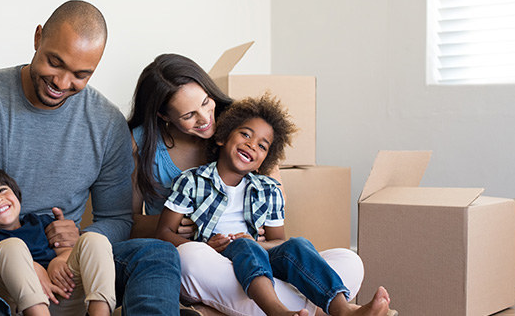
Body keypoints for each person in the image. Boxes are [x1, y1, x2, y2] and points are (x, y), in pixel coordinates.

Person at [0, 0, 182, 316]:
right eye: (55, 62)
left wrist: (79, 241)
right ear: (38, 38)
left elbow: (117, 218)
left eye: (81, 75)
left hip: (66, 270)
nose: (62, 83)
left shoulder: (107, 124)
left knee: (156, 253)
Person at [126, 54, 367, 315]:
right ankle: (315, 308)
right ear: (164, 115)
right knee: (190, 258)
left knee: (349, 262)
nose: (207, 118)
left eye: (206, 102)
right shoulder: (149, 149)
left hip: (257, 258)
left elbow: (275, 224)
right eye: (188, 115)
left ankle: (309, 307)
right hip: (204, 258)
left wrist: (262, 237)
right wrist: (185, 222)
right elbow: (132, 222)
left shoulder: (241, 126)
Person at [157, 95, 396, 316]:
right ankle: (279, 309)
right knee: (189, 257)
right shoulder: (191, 181)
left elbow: (279, 243)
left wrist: (257, 245)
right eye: (246, 135)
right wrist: (207, 247)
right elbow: (163, 233)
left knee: (337, 256)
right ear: (222, 137)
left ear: (264, 161)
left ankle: (343, 309)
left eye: (262, 146)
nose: (252, 145)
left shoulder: (268, 189)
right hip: (218, 263)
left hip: (260, 263)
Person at [0, 166, 114, 316]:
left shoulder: (38, 221)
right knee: (10, 246)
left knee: (94, 239)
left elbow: (65, 249)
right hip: (21, 304)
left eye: (1, 190)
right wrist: (31, 266)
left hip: (63, 294)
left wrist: (59, 259)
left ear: (16, 194)